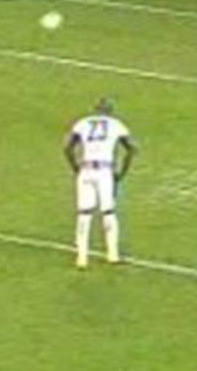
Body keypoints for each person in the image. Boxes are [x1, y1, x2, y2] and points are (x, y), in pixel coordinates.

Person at [64, 98, 137, 269]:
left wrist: (75, 167)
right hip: (104, 170)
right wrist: (122, 172)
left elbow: (67, 147)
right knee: (108, 211)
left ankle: (81, 258)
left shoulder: (82, 123)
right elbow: (132, 148)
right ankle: (112, 254)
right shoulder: (116, 124)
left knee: (84, 212)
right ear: (110, 111)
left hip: (86, 169)